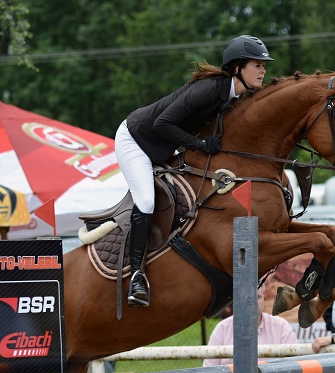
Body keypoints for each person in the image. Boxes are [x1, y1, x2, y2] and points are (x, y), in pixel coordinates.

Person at [116, 34, 273, 308]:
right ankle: (137, 277)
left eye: (263, 65)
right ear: (237, 68)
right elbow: (162, 124)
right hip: (137, 139)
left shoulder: (236, 96)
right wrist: (199, 144)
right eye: (257, 64)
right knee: (146, 200)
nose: (263, 69)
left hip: (164, 146)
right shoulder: (210, 89)